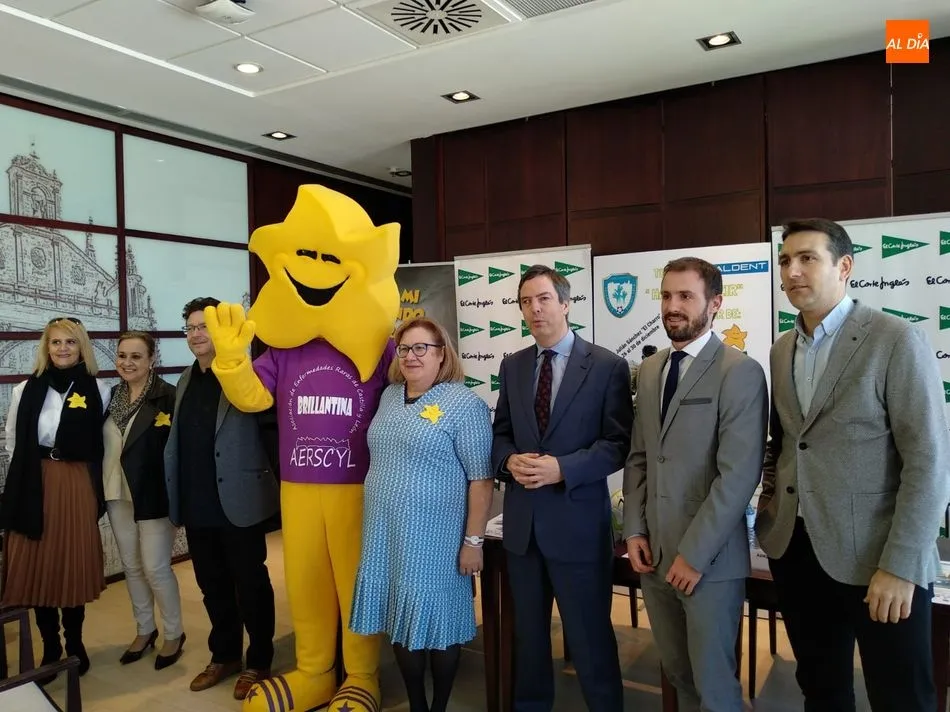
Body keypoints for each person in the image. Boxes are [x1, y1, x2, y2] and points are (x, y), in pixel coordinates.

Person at [756, 218, 950, 712]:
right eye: (785, 260)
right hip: (797, 553)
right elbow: (787, 444)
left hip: (879, 562)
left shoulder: (895, 340)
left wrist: (901, 565)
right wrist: (771, 509)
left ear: (844, 267)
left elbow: (929, 462)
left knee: (901, 697)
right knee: (821, 690)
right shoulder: (782, 350)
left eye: (807, 258)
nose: (792, 271)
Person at [623, 257, 768, 712]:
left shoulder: (738, 371)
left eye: (686, 296)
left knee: (714, 685)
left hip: (708, 563)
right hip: (655, 557)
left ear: (715, 304)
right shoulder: (650, 370)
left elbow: (738, 476)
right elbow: (640, 457)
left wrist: (693, 555)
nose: (673, 306)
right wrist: (633, 531)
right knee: (678, 674)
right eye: (667, 296)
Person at [491, 264, 633, 712]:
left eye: (544, 299)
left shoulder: (607, 366)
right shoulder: (512, 366)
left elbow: (617, 445)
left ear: (566, 303)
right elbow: (500, 434)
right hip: (523, 529)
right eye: (526, 301)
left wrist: (563, 469)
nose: (535, 309)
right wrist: (507, 460)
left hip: (577, 526)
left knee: (590, 635)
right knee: (529, 637)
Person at [350, 317, 493, 712]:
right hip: (385, 533)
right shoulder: (390, 396)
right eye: (404, 348)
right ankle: (417, 705)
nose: (411, 356)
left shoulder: (464, 404)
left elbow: (481, 480)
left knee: (439, 629)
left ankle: (439, 706)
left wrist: (473, 542)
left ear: (442, 353)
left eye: (421, 348)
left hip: (437, 539)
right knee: (399, 619)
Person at [164, 297, 279, 699]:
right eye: (191, 328)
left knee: (251, 584)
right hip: (198, 500)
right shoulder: (184, 380)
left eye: (205, 326)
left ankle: (260, 660)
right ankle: (225, 654)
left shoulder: (248, 375)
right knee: (211, 585)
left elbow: (269, 432)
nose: (197, 334)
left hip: (239, 499)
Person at [0, 317, 111, 683]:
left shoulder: (99, 389)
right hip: (34, 481)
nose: (62, 349)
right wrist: (27, 477)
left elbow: (103, 446)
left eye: (70, 342)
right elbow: (13, 441)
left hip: (75, 481)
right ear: (46, 348)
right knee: (39, 564)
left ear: (82, 348)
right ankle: (49, 647)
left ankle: (74, 643)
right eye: (55, 343)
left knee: (70, 559)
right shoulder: (25, 389)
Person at [103, 331, 185, 669]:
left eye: (136, 356)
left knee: (155, 567)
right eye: (122, 355)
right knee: (132, 567)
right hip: (116, 493)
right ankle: (144, 629)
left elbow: (180, 450)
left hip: (154, 495)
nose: (127, 362)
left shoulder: (169, 397)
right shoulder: (109, 396)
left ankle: (174, 633)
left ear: (152, 359)